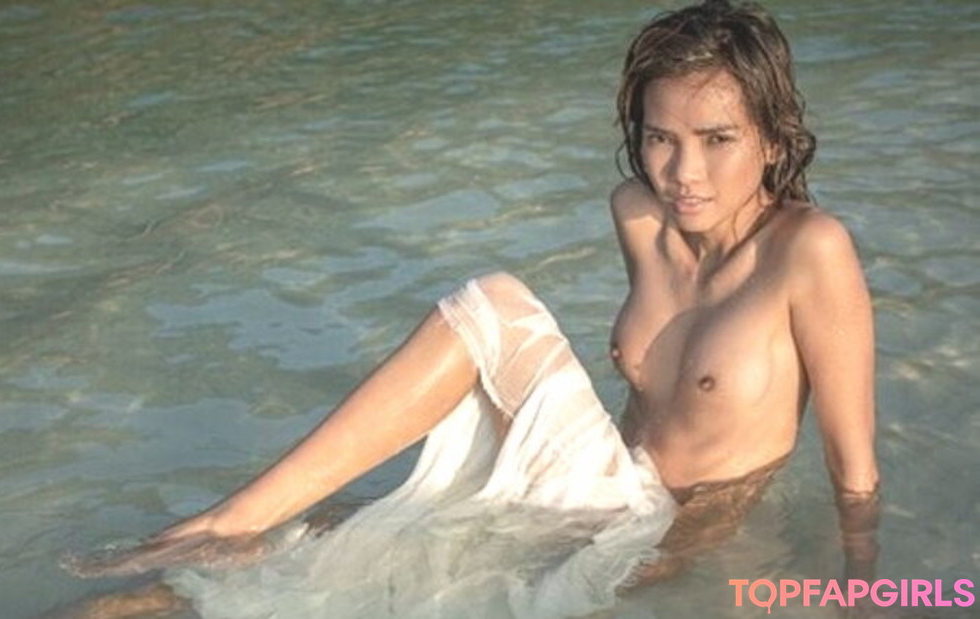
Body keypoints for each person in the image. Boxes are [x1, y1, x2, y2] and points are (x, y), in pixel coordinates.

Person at [60, 1, 880, 616]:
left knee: (368, 562)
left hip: (661, 533)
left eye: (717, 139)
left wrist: (866, 593)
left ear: (773, 139)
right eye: (660, 137)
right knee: (322, 538)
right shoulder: (639, 214)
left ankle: (222, 536)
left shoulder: (811, 251)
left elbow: (856, 475)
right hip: (594, 482)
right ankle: (219, 535)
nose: (682, 173)